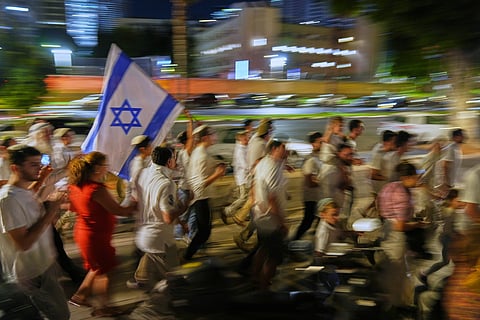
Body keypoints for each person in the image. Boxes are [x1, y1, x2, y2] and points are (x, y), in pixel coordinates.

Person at [0, 144, 70, 320]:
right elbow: (23, 244)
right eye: (33, 164)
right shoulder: (8, 199)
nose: (40, 167)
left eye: (39, 163)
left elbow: (32, 207)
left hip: (45, 267)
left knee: (62, 314)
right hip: (30, 275)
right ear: (15, 168)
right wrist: (52, 211)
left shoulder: (25, 190)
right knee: (59, 316)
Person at [67, 151, 137, 317]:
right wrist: (136, 204)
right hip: (95, 237)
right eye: (106, 165)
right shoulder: (96, 189)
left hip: (86, 233)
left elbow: (73, 208)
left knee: (98, 269)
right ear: (98, 168)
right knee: (105, 269)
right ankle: (101, 304)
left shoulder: (76, 186)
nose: (108, 168)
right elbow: (118, 210)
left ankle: (85, 298)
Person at [130, 147, 190, 289]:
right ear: (169, 161)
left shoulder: (143, 173)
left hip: (143, 234)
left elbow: (136, 198)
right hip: (160, 240)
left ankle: (142, 279)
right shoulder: (166, 184)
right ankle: (157, 306)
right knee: (176, 282)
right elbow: (168, 217)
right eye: (174, 158)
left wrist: (180, 222)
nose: (176, 161)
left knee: (151, 263)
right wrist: (184, 206)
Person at [377, 162, 430, 307]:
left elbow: (380, 209)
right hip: (396, 238)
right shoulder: (402, 195)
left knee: (390, 273)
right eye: (414, 177)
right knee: (398, 273)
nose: (417, 180)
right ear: (406, 177)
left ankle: (391, 303)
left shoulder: (389, 187)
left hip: (386, 232)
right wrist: (418, 224)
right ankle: (399, 305)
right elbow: (400, 226)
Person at [184, 125, 226, 260]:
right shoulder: (201, 154)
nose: (216, 136)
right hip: (201, 197)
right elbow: (199, 184)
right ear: (205, 137)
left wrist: (218, 166)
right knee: (204, 231)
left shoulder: (201, 151)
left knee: (204, 230)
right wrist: (217, 174)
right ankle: (188, 255)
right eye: (213, 134)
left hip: (202, 197)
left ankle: (190, 253)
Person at [252, 139, 289, 290]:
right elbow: (272, 198)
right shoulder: (272, 166)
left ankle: (254, 277)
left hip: (260, 215)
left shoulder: (263, 163)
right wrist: (281, 222)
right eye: (283, 148)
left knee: (263, 248)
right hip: (270, 218)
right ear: (274, 149)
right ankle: (264, 285)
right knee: (274, 256)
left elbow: (255, 187)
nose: (286, 150)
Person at [293, 131, 323, 240]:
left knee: (318, 219)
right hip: (311, 197)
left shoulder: (318, 158)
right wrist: (324, 182)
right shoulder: (310, 160)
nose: (323, 144)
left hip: (317, 197)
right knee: (308, 221)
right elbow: (309, 182)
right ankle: (293, 241)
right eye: (320, 142)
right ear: (312, 144)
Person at [321, 143, 354, 220]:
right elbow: (329, 190)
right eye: (347, 155)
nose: (350, 157)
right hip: (331, 211)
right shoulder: (333, 169)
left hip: (336, 208)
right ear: (338, 154)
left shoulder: (341, 166)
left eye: (351, 154)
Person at [222, 130, 249, 223]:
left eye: (247, 137)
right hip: (243, 178)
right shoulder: (240, 150)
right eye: (245, 138)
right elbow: (245, 165)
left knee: (246, 197)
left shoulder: (244, 147)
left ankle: (244, 214)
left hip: (244, 177)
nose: (247, 139)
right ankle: (227, 211)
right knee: (243, 198)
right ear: (240, 139)